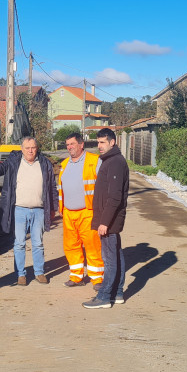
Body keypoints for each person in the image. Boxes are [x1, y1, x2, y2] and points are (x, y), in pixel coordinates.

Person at [0, 136, 58, 286]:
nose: (30, 151)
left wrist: (53, 208)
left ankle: (39, 272)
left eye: (33, 147)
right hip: (19, 210)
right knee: (19, 243)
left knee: (38, 243)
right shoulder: (14, 161)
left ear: (37, 148)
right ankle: (20, 275)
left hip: (39, 210)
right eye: (27, 148)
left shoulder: (45, 163)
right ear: (22, 149)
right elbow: (1, 168)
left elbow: (52, 188)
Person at [82, 128, 129, 309]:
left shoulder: (115, 162)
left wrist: (104, 222)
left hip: (109, 220)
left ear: (112, 142)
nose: (99, 146)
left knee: (109, 259)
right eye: (98, 142)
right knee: (116, 254)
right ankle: (116, 292)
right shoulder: (110, 161)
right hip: (108, 219)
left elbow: (115, 197)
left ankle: (104, 296)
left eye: (103, 142)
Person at [57, 132, 104, 289]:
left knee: (92, 245)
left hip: (87, 211)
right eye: (68, 144)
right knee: (71, 246)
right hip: (68, 213)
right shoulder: (64, 165)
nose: (69, 147)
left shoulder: (95, 161)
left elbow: (105, 186)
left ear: (81, 144)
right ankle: (76, 277)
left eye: (72, 144)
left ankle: (97, 279)